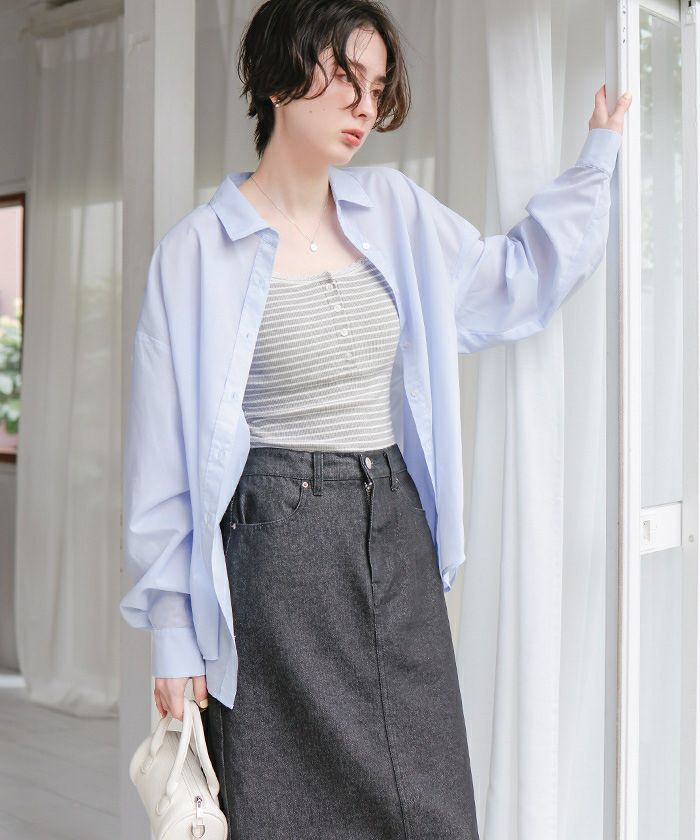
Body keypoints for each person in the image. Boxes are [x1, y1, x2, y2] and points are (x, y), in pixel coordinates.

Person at [120, 0, 631, 837]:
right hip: (273, 547)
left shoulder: (396, 210)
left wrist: (597, 160)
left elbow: (514, 280)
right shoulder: (194, 252)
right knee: (283, 809)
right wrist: (174, 633)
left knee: (430, 802)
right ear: (281, 78)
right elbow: (161, 466)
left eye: (378, 86)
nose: (365, 104)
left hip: (394, 527)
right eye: (346, 78)